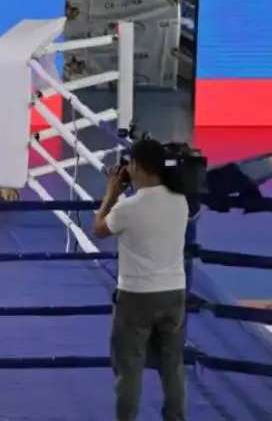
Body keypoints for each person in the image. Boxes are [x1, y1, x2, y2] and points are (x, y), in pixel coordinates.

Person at [92, 139, 189, 421]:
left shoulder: (128, 208)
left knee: (129, 368)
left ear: (135, 165)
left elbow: (99, 229)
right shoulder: (181, 201)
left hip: (136, 296)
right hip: (174, 292)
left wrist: (111, 194)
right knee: (172, 365)